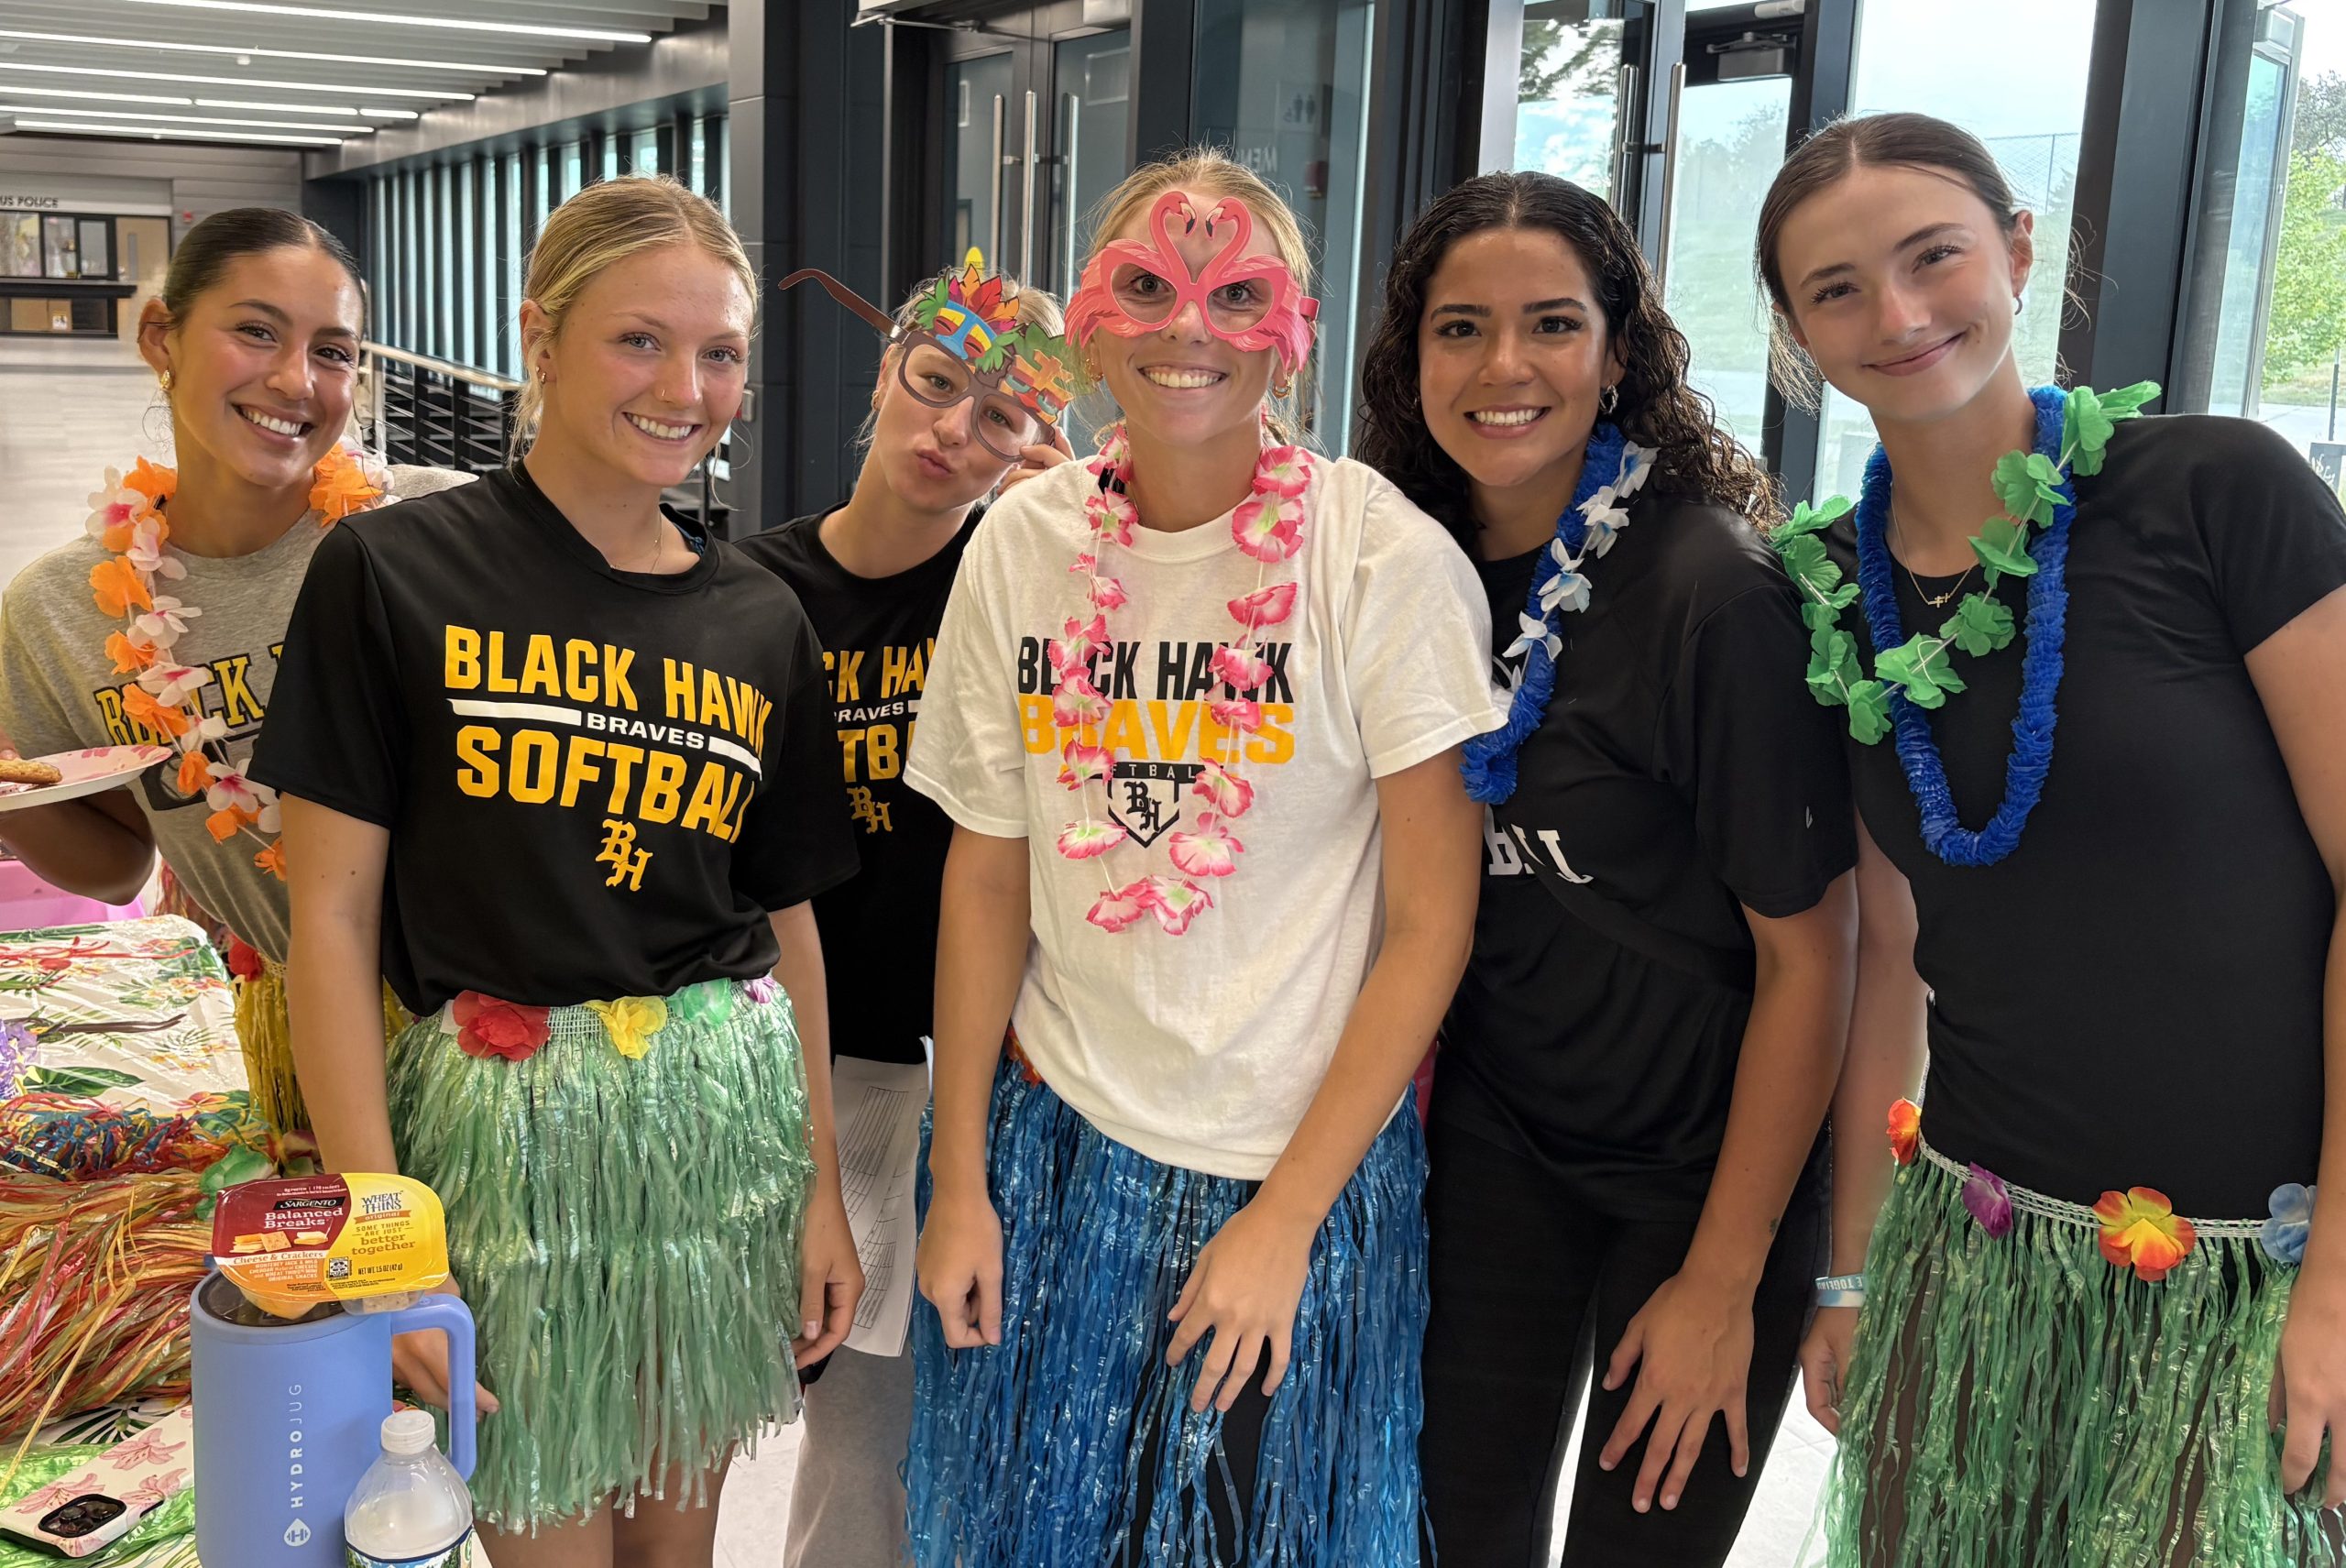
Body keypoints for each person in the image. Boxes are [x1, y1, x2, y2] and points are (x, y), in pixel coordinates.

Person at [1757, 112, 2346, 1565]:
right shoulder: (1830, 585)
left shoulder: (2217, 491)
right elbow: (1891, 953)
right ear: (1797, 333)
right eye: (1838, 289)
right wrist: (1850, 1272)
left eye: (1933, 256)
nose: (1898, 314)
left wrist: (2336, 1285)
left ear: (2020, 253)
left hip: (2251, 1274)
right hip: (1976, 1256)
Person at [902, 148, 1505, 1567]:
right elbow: (988, 872)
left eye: (1237, 292)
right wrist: (959, 1178)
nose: (1189, 328)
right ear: (1087, 320)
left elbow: (1432, 921)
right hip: (1052, 1149)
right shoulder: (1021, 544)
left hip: (1295, 1174)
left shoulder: (1380, 560)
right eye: (1146, 286)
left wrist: (1286, 1221)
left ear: (1296, 324)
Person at [251, 174, 865, 1567]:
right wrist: (382, 1237)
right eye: (639, 340)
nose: (686, 389)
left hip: (717, 1138)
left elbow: (787, 924)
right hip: (504, 1152)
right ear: (539, 334)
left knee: (677, 1553)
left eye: (720, 353)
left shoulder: (759, 616)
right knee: (545, 1539)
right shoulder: (392, 570)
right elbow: (330, 921)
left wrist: (821, 1186)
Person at [1351, 170, 1858, 1567]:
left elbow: (1813, 956)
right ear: (1411, 358)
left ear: (1620, 351)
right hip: (1501, 1141)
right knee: (1446, 1534)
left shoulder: (1710, 592)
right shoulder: (1394, 570)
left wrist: (1725, 1279)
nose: (1503, 366)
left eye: (1553, 324)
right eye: (1461, 327)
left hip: (1707, 1168)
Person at [735, 253, 1071, 1568]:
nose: (953, 432)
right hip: (828, 1064)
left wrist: (1084, 534)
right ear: (884, 375)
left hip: (1010, 1068)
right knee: (858, 1436)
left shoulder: (1033, 587)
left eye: (1002, 417)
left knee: (1004, 1423)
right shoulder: (750, 594)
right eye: (935, 384)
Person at [0, 206, 468, 1131]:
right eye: (256, 331)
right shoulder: (59, 611)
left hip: (503, 1024)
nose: (296, 380)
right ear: (161, 338)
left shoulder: (446, 531)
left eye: (333, 351)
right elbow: (117, 864)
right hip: (300, 1037)